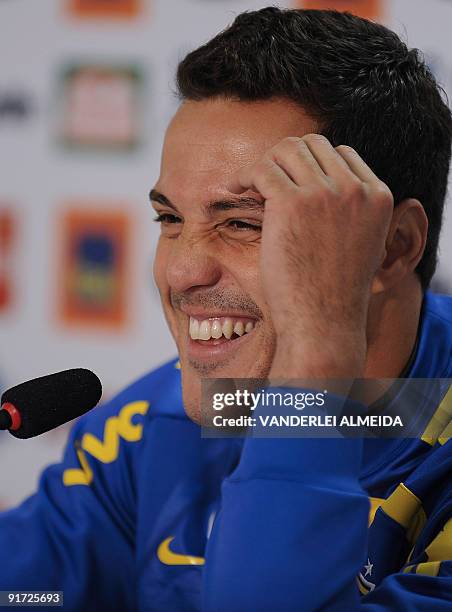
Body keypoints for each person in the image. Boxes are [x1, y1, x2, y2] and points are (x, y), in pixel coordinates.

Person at [1, 7, 452, 611]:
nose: (182, 272)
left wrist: (316, 354)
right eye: (170, 219)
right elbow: (29, 593)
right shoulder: (152, 427)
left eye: (243, 222)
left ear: (392, 247)